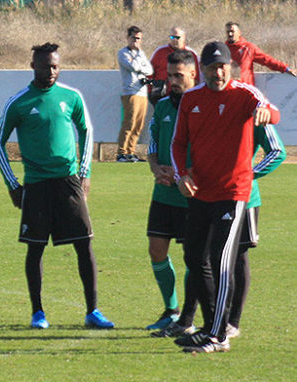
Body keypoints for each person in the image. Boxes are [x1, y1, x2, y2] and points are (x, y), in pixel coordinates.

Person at [0, 43, 114, 330]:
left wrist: (85, 172)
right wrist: (12, 183)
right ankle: (38, 313)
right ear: (33, 65)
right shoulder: (19, 102)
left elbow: (86, 130)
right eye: (46, 66)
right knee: (35, 249)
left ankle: (92, 311)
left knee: (84, 245)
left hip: (68, 181)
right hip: (35, 186)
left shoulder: (71, 97)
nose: (51, 71)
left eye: (56, 66)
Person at [171, 41, 280, 353]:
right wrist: (182, 176)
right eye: (211, 67)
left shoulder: (246, 94)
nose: (218, 72)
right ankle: (211, 325)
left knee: (221, 260)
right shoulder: (191, 99)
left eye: (223, 66)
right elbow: (178, 144)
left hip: (233, 193)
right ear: (202, 69)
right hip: (200, 191)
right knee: (194, 257)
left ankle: (218, 335)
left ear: (230, 67)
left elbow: (274, 114)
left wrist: (265, 112)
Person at [144, 50, 198, 331]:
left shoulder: (203, 105)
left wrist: (186, 175)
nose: (173, 81)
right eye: (170, 75)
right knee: (156, 249)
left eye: (179, 76)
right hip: (164, 190)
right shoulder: (163, 105)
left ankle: (188, 316)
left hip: (192, 192)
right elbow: (153, 141)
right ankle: (171, 310)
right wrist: (155, 168)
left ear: (193, 75)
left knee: (193, 255)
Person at [117, 25, 153, 162]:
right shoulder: (123, 53)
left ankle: (131, 151)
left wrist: (140, 65)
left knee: (138, 124)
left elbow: (149, 70)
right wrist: (140, 65)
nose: (136, 41)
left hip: (142, 93)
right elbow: (132, 66)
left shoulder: (141, 54)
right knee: (129, 123)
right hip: (130, 92)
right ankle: (121, 153)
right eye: (133, 38)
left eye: (138, 39)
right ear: (128, 38)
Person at [225, 21, 297, 86]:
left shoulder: (248, 48)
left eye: (232, 31)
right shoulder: (222, 49)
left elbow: (267, 60)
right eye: (228, 32)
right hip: (228, 90)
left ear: (239, 33)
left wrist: (285, 68)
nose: (230, 34)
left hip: (245, 90)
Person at [148, 26, 200, 105]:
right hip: (161, 96)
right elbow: (149, 73)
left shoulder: (191, 54)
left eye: (177, 37)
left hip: (184, 95)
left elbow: (197, 77)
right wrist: (150, 92)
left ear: (184, 37)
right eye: (172, 37)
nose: (174, 40)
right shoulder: (160, 52)